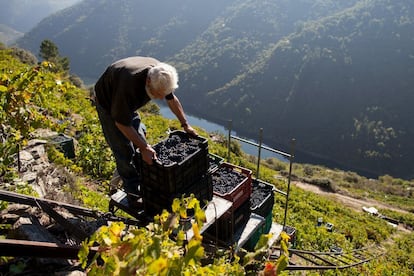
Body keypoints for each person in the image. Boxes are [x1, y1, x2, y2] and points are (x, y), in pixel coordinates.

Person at [94, 56, 197, 197]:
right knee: (124, 150)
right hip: (108, 104)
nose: (161, 98)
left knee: (141, 143)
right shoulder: (128, 85)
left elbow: (171, 99)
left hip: (127, 105)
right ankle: (133, 192)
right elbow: (121, 123)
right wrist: (144, 147)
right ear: (148, 82)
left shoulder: (160, 74)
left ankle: (144, 180)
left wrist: (185, 125)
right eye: (158, 94)